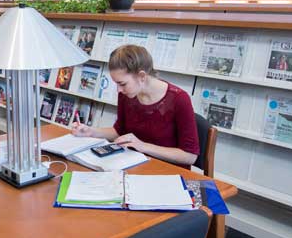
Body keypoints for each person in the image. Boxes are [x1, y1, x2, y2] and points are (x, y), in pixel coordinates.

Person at [72, 45, 201, 167]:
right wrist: (92, 131)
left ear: (142, 76)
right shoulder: (127, 94)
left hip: (167, 172)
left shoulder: (179, 99)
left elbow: (190, 156)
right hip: (134, 163)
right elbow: (119, 131)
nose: (118, 90)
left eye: (122, 84)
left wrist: (143, 146)